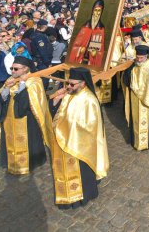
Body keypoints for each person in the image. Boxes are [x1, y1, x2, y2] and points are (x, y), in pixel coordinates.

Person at [48, 67, 109, 208]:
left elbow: (90, 127)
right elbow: (57, 114)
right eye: (67, 83)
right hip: (64, 140)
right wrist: (56, 100)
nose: (68, 87)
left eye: (72, 84)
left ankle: (82, 198)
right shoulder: (69, 94)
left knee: (82, 174)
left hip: (81, 145)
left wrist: (68, 129)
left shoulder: (89, 99)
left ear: (83, 83)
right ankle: (68, 198)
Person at [0, 56, 50, 175]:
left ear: (25, 69)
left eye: (16, 69)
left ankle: (30, 164)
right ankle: (11, 163)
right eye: (12, 68)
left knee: (30, 142)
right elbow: (1, 98)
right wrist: (6, 89)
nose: (12, 71)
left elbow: (30, 102)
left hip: (27, 120)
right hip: (9, 120)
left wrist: (22, 86)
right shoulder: (10, 80)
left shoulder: (35, 81)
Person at [123, 45, 149, 151]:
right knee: (135, 121)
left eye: (141, 58)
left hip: (148, 102)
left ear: (146, 56)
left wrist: (146, 96)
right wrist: (129, 71)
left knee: (148, 123)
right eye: (137, 57)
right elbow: (126, 80)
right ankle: (136, 141)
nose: (139, 60)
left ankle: (148, 143)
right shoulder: (134, 65)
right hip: (135, 99)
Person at [68, 0, 105, 68]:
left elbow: (101, 47)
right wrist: (80, 49)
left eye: (99, 10)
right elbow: (76, 43)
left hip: (90, 60)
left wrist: (95, 53)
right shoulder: (86, 26)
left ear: (101, 12)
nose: (97, 13)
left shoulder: (100, 28)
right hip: (81, 57)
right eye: (95, 10)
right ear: (92, 11)